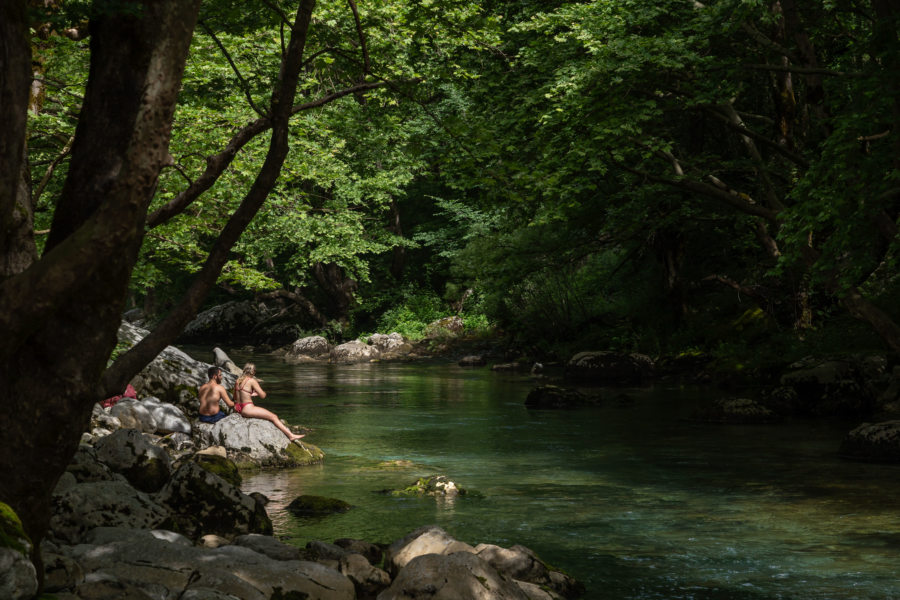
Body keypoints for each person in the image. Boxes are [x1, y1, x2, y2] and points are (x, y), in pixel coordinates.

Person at [234, 362, 304, 441]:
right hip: (248, 408)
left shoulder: (238, 381)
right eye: (255, 371)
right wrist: (258, 393)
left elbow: (236, 397)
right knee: (273, 416)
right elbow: (263, 396)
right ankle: (291, 436)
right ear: (252, 371)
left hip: (240, 409)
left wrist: (249, 394)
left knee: (272, 416)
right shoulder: (251, 381)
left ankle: (291, 435)